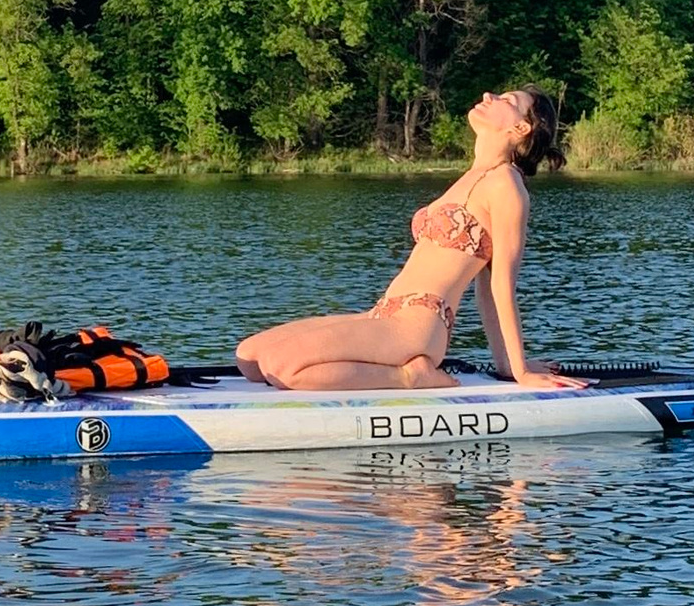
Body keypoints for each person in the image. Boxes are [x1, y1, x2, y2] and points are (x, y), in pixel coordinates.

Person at [235, 87, 584, 393]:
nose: (488, 97)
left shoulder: (507, 186)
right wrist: (508, 365)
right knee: (250, 359)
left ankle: (409, 375)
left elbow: (498, 288)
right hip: (383, 314)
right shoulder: (471, 177)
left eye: (507, 100)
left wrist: (517, 369)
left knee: (284, 367)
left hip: (418, 325)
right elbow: (484, 290)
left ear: (520, 128)